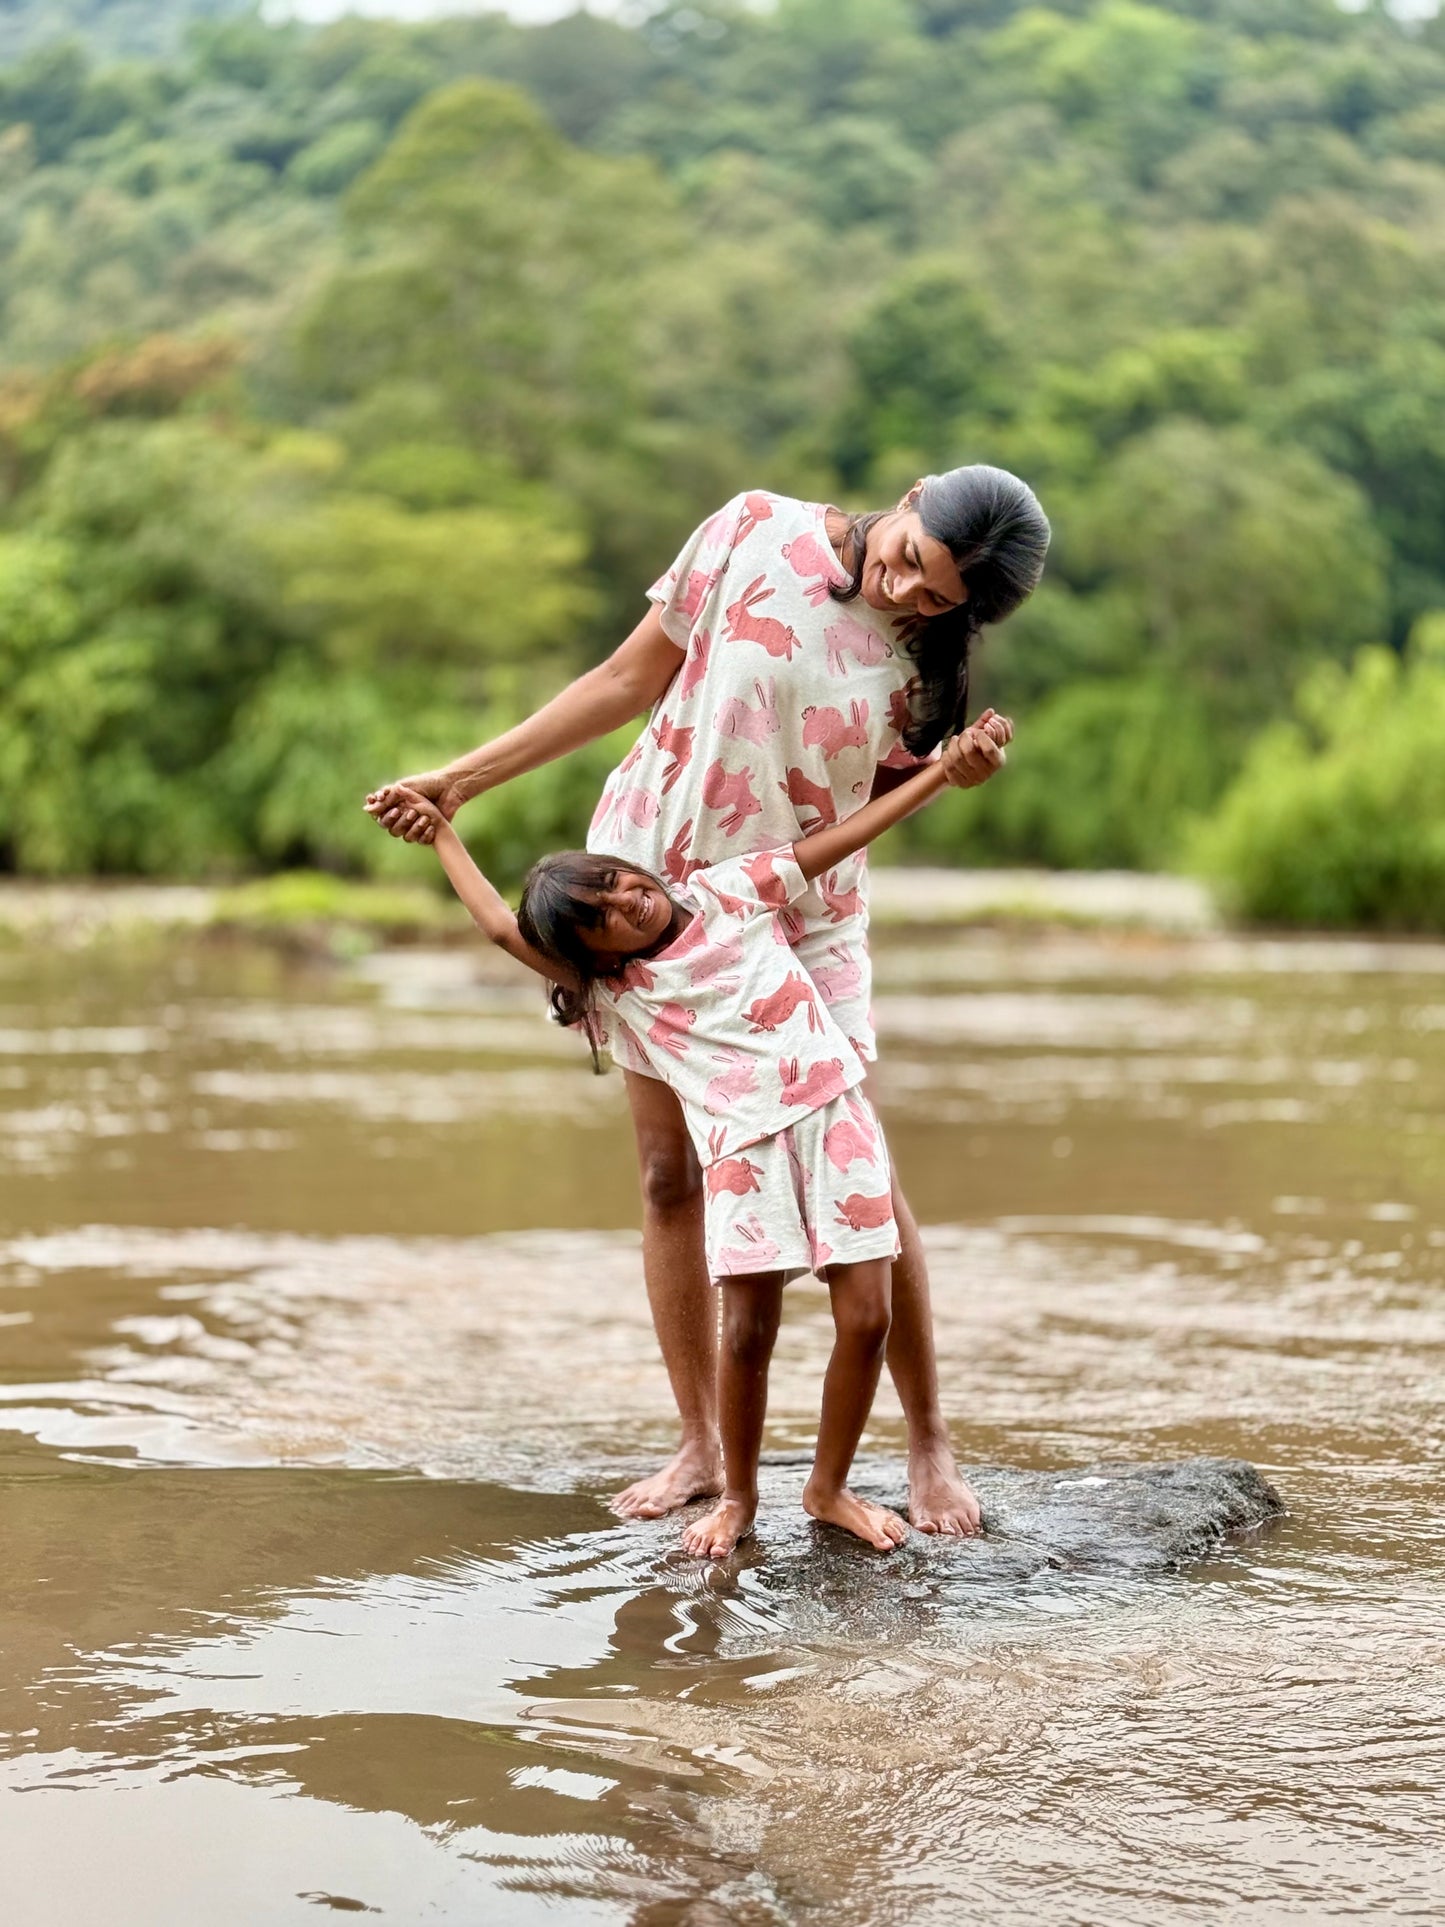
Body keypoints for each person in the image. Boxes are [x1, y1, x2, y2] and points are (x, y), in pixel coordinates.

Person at [367, 466, 1050, 1533]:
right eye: (911, 559)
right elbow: (622, 678)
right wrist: (462, 781)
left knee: (859, 1171)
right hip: (651, 890)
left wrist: (953, 777)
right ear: (908, 497)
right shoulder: (750, 530)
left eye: (939, 597)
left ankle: (926, 1442)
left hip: (795, 911)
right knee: (663, 1169)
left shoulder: (925, 666)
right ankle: (699, 1444)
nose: (908, 591)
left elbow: (869, 811)